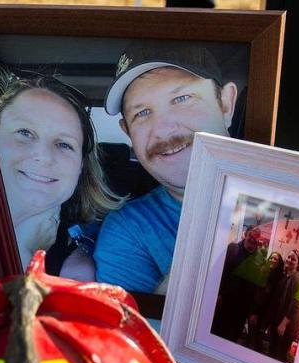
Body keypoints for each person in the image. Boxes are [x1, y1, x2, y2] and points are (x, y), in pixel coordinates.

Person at [93, 41, 239, 292]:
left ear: (226, 104)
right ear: (127, 132)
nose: (162, 130)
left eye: (181, 98)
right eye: (142, 113)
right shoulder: (127, 232)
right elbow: (141, 330)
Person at [0, 61, 124, 276]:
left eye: (63, 144)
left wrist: (25, 254)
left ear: (81, 168)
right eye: (25, 133)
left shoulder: (76, 270)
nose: (43, 156)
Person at [211, 225, 265, 344]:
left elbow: (258, 288)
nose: (253, 238)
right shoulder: (232, 248)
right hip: (224, 302)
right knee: (216, 333)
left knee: (232, 338)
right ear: (246, 234)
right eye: (251, 234)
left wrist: (253, 311)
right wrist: (218, 293)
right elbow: (221, 271)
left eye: (256, 237)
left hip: (242, 309)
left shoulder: (260, 259)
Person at [268, 249, 299, 363]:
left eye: (293, 259)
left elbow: (296, 304)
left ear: (298, 263)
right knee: (272, 352)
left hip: (287, 326)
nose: (289, 260)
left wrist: (283, 324)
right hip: (279, 322)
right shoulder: (286, 276)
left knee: (278, 356)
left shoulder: (298, 279)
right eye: (289, 257)